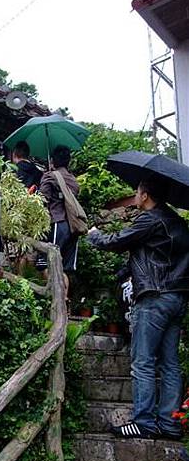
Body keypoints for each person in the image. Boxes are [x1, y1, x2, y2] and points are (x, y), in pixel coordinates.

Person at [87, 178, 189, 440]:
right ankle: (169, 423)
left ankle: (143, 421)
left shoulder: (151, 219)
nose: (134, 195)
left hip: (154, 298)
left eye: (137, 191)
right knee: (170, 364)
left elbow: (118, 240)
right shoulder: (177, 223)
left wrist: (95, 235)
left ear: (145, 196)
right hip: (176, 298)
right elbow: (153, 255)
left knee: (143, 361)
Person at [37, 145, 81, 297]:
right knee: (62, 269)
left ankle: (54, 303)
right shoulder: (73, 180)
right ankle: (64, 305)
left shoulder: (50, 176)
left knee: (48, 264)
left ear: (53, 160)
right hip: (73, 227)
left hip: (57, 222)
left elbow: (42, 200)